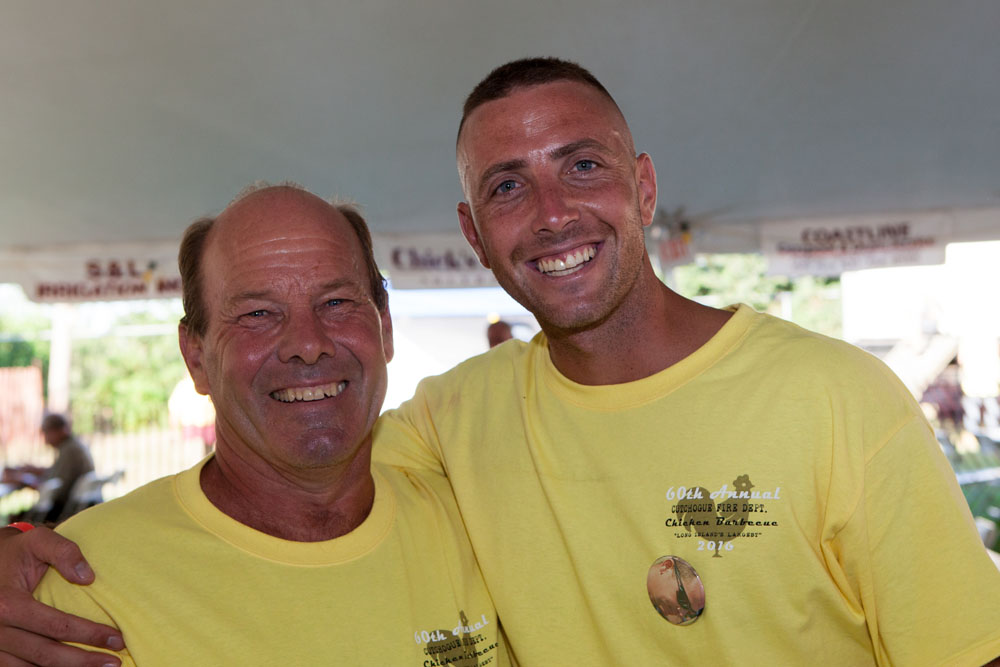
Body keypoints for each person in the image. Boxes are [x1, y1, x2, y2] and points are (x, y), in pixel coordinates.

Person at [4, 57, 1000, 666]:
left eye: (582, 165)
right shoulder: (453, 424)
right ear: (473, 235)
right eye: (508, 187)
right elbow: (290, 470)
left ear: (643, 188)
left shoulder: (835, 398)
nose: (555, 212)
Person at [8, 185, 507, 666]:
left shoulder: (481, 522)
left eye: (336, 302)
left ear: (386, 328)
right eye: (258, 313)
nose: (307, 344)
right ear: (196, 357)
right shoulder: (87, 588)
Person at [4, 414, 94, 524]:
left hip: (64, 509)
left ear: (59, 431)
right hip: (72, 505)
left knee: (14, 520)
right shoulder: (72, 446)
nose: (45, 437)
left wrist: (24, 481)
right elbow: (56, 473)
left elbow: (57, 486)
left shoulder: (69, 450)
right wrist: (32, 470)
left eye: (46, 432)